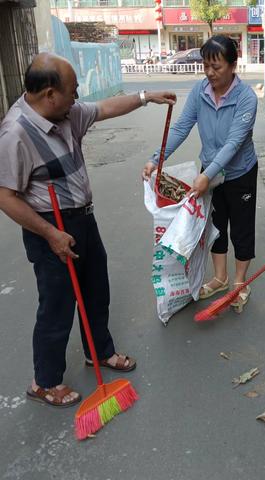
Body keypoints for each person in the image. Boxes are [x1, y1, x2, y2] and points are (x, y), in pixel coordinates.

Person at [0, 53, 176, 407]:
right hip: (49, 227)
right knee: (58, 305)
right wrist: (51, 235)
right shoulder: (15, 134)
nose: (77, 98)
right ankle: (44, 382)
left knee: (96, 289)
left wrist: (145, 97)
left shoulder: (66, 113)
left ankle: (99, 352)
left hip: (83, 219)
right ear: (50, 93)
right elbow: (6, 196)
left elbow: (105, 108)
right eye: (73, 91)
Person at [143, 35, 258, 312]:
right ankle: (220, 278)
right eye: (206, 65)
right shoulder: (200, 91)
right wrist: (156, 160)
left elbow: (233, 143)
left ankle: (240, 283)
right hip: (209, 170)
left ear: (233, 65)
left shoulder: (247, 98)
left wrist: (209, 176)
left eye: (216, 67)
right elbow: (182, 127)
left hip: (240, 172)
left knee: (241, 229)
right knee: (215, 227)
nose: (210, 73)